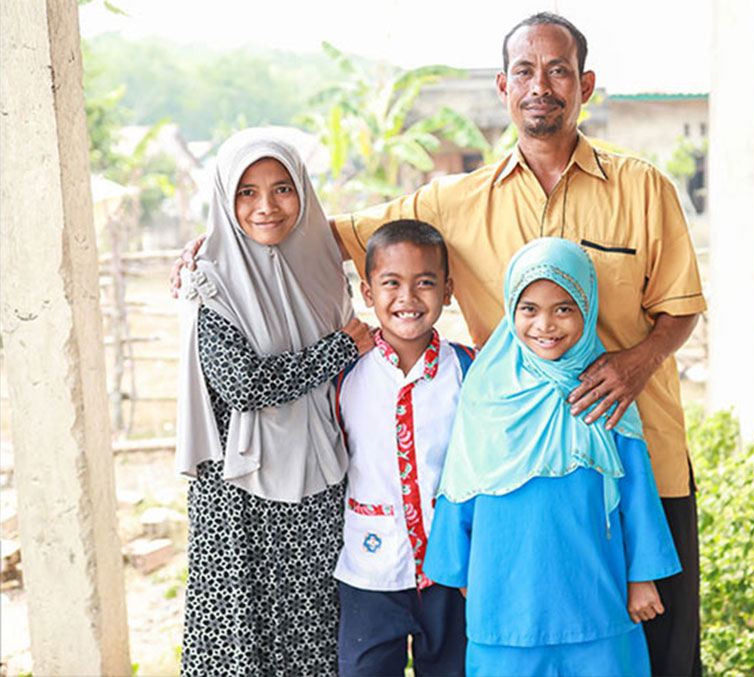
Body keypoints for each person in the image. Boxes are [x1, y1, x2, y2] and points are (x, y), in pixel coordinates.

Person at [172, 13, 705, 673]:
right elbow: (330, 229)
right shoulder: (455, 201)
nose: (541, 85)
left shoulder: (644, 187)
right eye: (524, 72)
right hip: (511, 467)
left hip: (635, 448)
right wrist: (224, 244)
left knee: (653, 647)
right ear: (503, 88)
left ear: (586, 84)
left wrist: (636, 362)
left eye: (559, 70)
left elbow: (681, 308)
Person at [424, 237, 680, 677]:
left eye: (564, 308)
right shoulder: (486, 390)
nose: (545, 324)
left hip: (596, 595)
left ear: (588, 306)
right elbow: (459, 480)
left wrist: (642, 576)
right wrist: (459, 567)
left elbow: (636, 488)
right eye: (529, 309)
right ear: (510, 308)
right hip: (504, 599)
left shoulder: (607, 388)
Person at [175, 129, 374, 675]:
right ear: (225, 199)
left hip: (321, 482)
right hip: (242, 495)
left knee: (316, 634)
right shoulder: (210, 282)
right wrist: (339, 347)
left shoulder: (325, 272)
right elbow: (245, 384)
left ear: (303, 192)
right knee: (245, 642)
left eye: (283, 188)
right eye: (246, 192)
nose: (266, 206)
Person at [331, 220, 472, 676]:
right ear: (368, 293)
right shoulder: (344, 375)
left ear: (448, 290)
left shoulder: (469, 370)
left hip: (453, 571)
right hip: (370, 571)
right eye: (391, 283)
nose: (408, 298)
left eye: (425, 282)